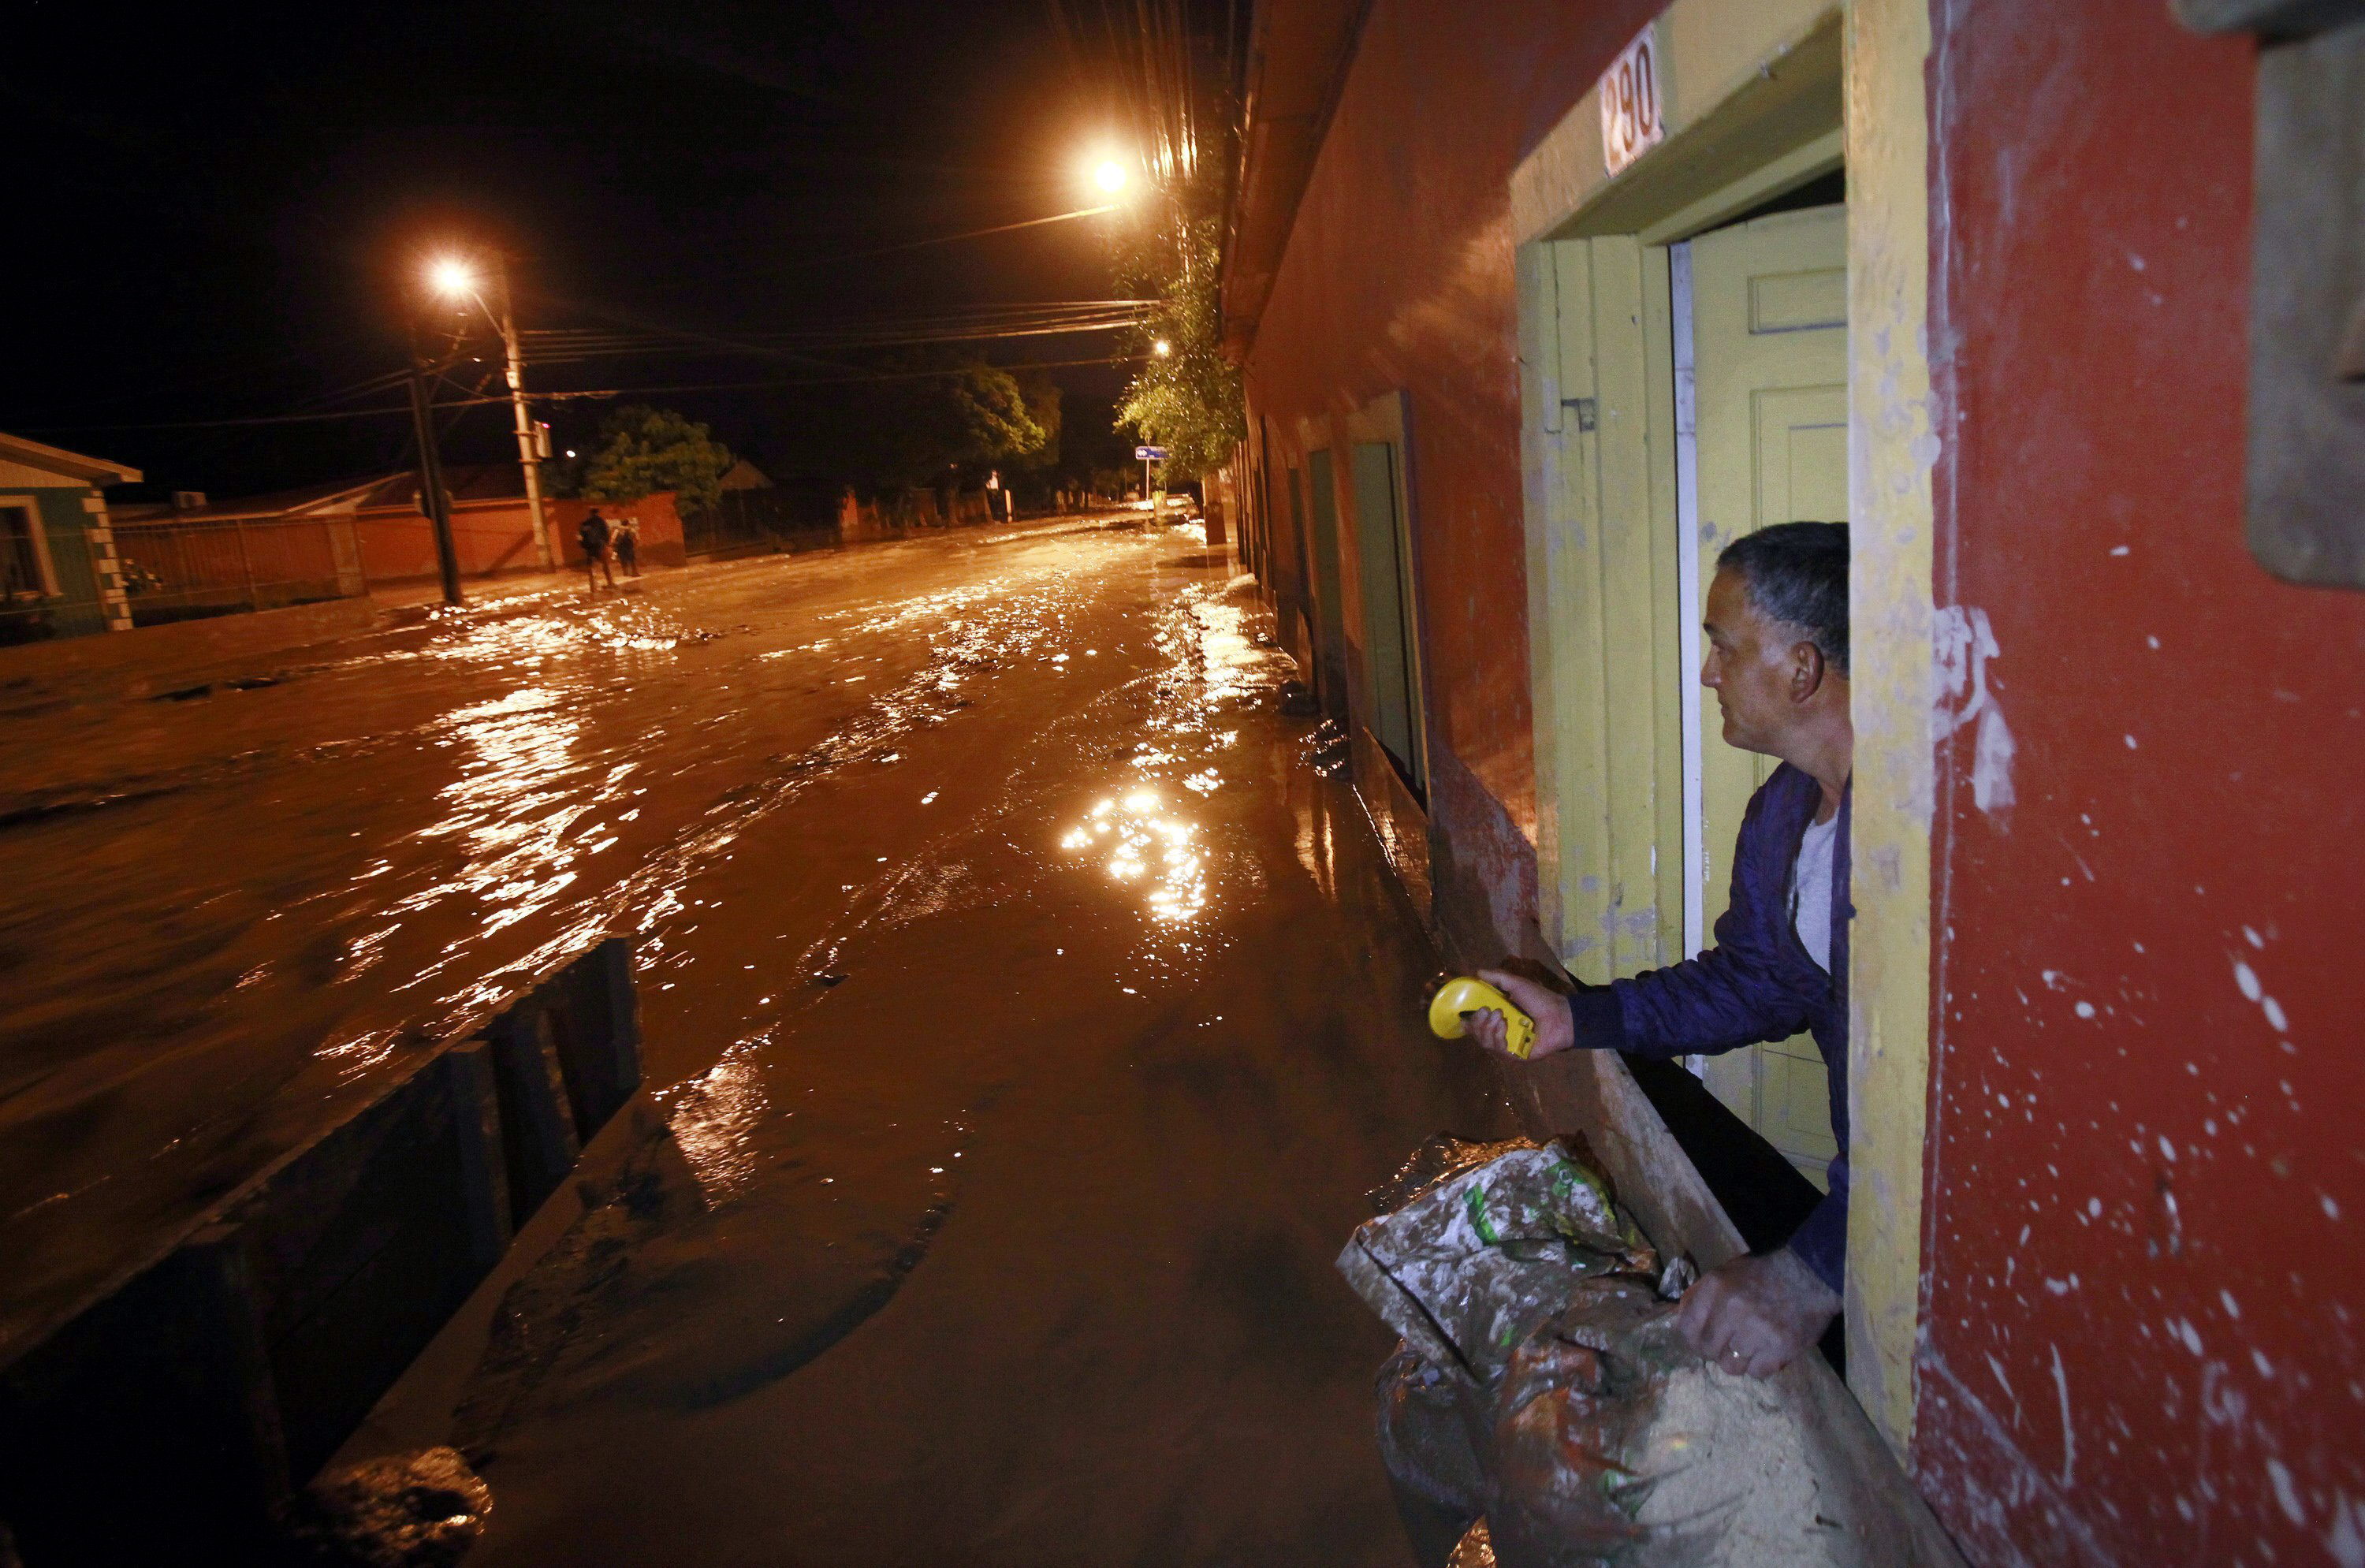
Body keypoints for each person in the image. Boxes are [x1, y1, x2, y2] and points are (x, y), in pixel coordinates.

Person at [1468, 520, 1853, 1380]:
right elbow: (1754, 983)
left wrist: (1813, 1270)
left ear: (1801, 668)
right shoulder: (1784, 814)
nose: (1709, 671)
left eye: (1725, 646)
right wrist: (1576, 1018)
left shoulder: (1929, 844)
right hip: (1870, 1214)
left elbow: (1957, 1109)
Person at [579, 507, 616, 591]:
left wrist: (583, 546)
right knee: (605, 564)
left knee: (591, 566)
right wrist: (606, 544)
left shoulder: (586, 523)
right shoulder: (601, 521)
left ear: (590, 513)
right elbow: (606, 533)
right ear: (598, 513)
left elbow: (580, 536)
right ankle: (610, 582)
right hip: (600, 545)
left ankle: (593, 586)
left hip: (589, 547)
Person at [613, 514, 640, 578]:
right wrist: (636, 545)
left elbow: (613, 539)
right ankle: (634, 572)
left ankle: (625, 572)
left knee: (623, 559)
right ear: (628, 523)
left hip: (621, 547)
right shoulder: (631, 529)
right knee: (632, 560)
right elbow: (637, 538)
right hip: (629, 546)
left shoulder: (617, 530)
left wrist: (614, 546)